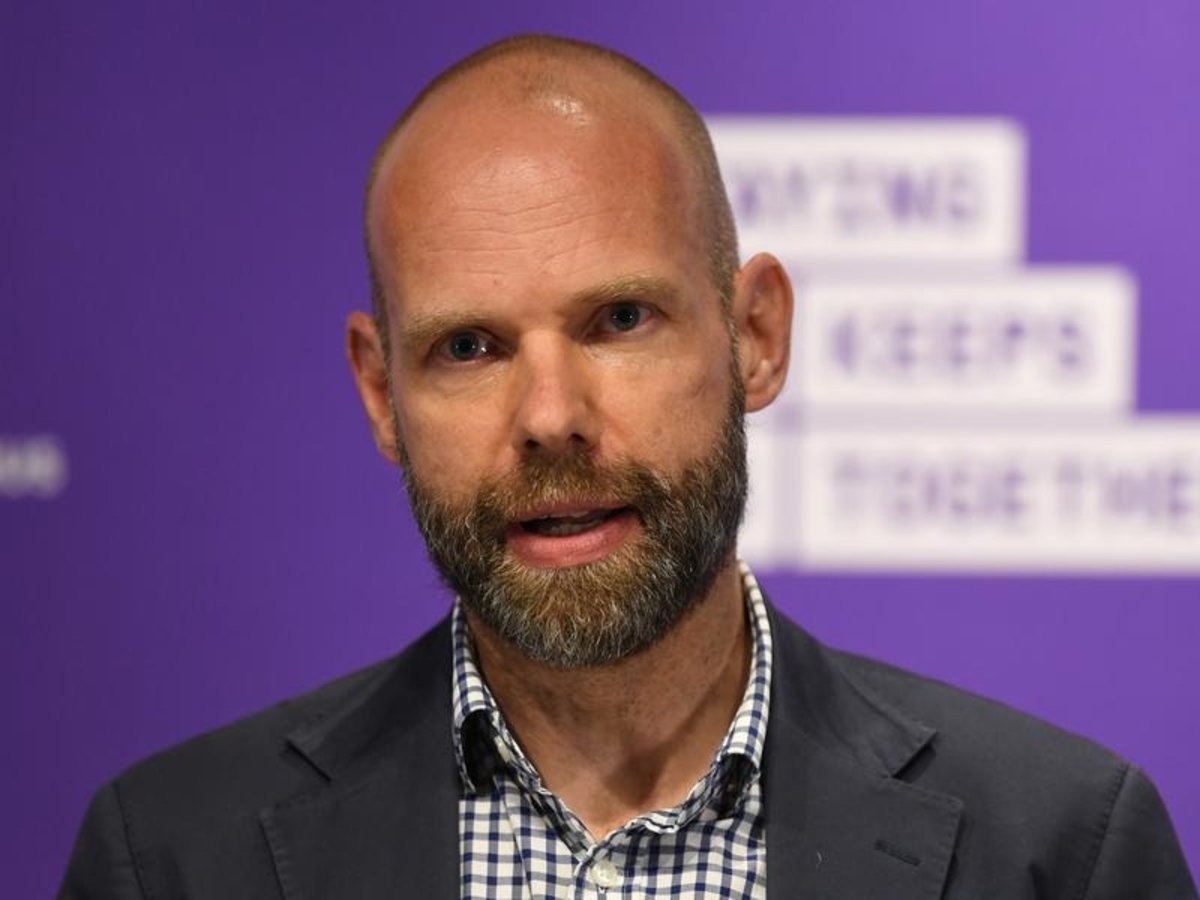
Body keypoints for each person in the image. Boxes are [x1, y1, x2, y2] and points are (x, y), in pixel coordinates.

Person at [60, 34, 1196, 900]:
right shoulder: (170, 859)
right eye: (470, 347)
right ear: (380, 393)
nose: (551, 418)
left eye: (618, 320)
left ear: (755, 335)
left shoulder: (1061, 850)